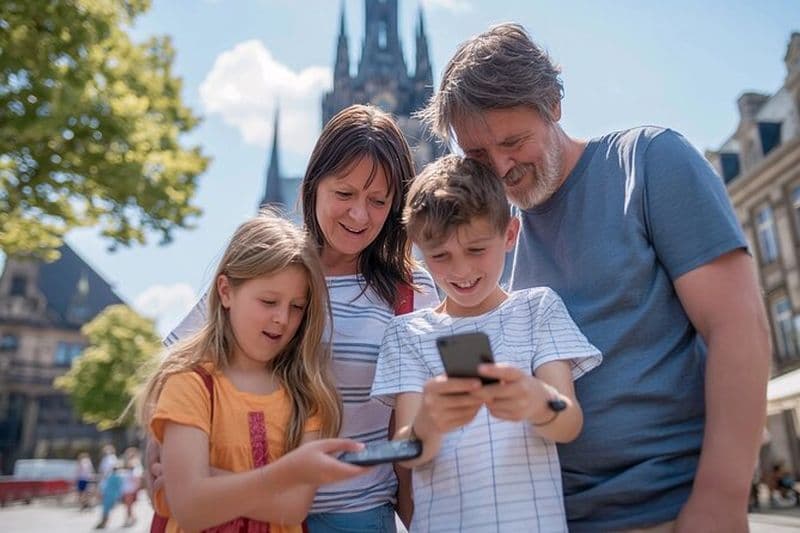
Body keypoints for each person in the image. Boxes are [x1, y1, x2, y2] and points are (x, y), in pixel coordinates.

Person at [417, 22, 771, 532]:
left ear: (553, 104)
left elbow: (738, 328)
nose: (500, 168)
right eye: (476, 156)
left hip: (671, 510)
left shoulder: (649, 162)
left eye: (514, 141)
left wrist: (721, 498)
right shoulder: (481, 250)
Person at [161, 104, 439, 532]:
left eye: (378, 201)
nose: (359, 215)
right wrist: (164, 461)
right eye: (344, 194)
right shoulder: (272, 267)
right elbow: (177, 363)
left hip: (355, 516)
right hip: (247, 512)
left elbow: (416, 430)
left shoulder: (411, 292)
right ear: (313, 185)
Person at [372, 154, 602, 531]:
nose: (461, 270)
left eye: (476, 250)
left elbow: (569, 421)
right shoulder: (406, 334)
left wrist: (536, 400)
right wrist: (429, 421)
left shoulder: (538, 309)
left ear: (510, 235)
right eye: (440, 256)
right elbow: (407, 452)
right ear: (418, 249)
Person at [137, 211, 370, 532]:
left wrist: (208, 479)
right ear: (226, 291)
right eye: (269, 301)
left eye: (296, 307)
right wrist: (284, 475)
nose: (282, 318)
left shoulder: (306, 395)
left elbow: (292, 508)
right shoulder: (189, 384)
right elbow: (190, 507)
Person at [95, 461, 124, 529]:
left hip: (108, 495)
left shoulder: (110, 477)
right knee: (107, 510)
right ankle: (104, 522)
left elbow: (104, 486)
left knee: (105, 510)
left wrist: (100, 493)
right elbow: (120, 487)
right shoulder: (119, 477)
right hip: (113, 495)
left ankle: (104, 522)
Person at [120, 447, 143, 527]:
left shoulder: (135, 464)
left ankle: (129, 519)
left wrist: (137, 487)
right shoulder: (128, 464)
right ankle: (131, 518)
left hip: (130, 488)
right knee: (128, 505)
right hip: (127, 488)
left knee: (128, 505)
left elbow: (137, 476)